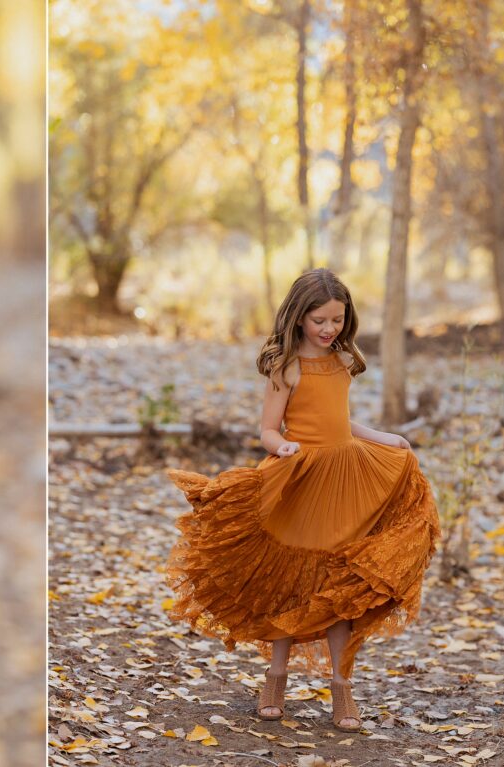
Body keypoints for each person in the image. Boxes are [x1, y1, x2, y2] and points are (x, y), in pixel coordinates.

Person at [165, 267, 440, 732]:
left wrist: (383, 437)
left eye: (337, 319)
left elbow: (341, 422)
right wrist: (282, 447)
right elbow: (268, 430)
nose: (330, 329)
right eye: (320, 321)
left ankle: (341, 686)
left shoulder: (342, 360)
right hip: (300, 478)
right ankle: (276, 677)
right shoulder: (286, 366)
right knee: (294, 581)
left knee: (338, 588)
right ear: (298, 319)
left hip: (345, 476)